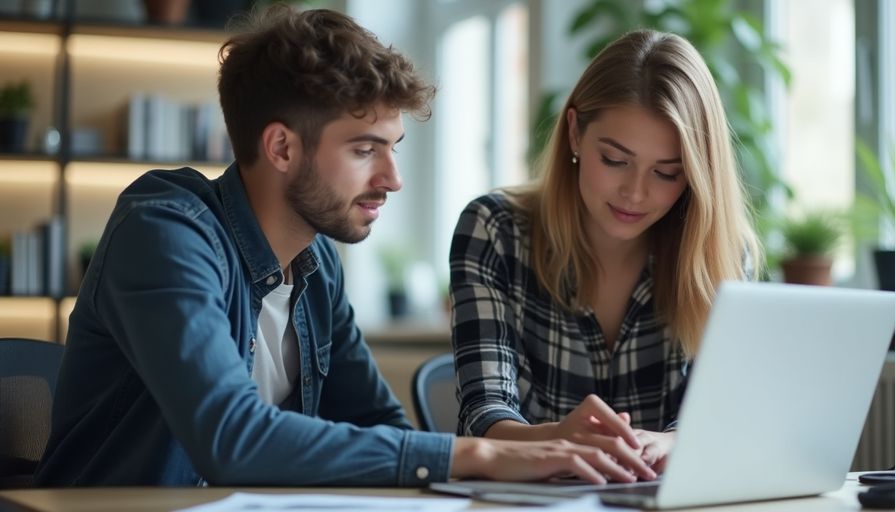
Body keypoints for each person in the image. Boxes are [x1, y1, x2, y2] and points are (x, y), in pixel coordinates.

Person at [34, 6, 647, 487]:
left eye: (393, 147)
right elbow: (231, 438)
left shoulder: (316, 262)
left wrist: (541, 443)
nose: (392, 178)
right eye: (363, 150)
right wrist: (478, 454)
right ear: (281, 148)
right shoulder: (166, 231)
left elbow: (377, 424)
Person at [449, 29, 760, 475]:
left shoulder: (720, 255)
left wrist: (677, 442)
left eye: (667, 173)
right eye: (615, 160)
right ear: (575, 133)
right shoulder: (495, 231)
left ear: (696, 175)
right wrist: (558, 439)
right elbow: (483, 419)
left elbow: (728, 418)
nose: (635, 193)